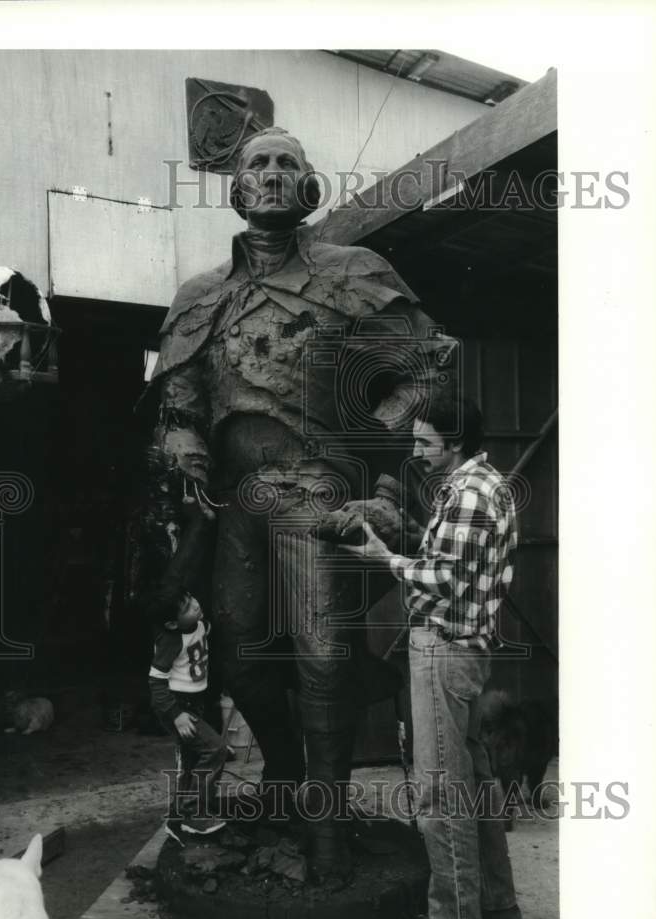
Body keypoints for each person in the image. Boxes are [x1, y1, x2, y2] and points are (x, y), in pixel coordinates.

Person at [139, 125, 452, 878]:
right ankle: (286, 777)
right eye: (257, 164)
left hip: (312, 484)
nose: (272, 174)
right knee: (241, 659)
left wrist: (369, 439)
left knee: (321, 658)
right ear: (237, 187)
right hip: (230, 499)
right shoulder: (200, 293)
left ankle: (326, 830)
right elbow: (178, 398)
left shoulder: (353, 270)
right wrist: (181, 437)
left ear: (308, 185)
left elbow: (428, 363)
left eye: (287, 163)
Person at [340, 392, 524, 919]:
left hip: (445, 651)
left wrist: (384, 560)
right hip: (464, 650)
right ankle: (498, 907)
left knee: (440, 792)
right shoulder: (483, 485)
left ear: (456, 442)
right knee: (476, 782)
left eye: (425, 442)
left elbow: (443, 577)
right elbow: (453, 561)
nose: (417, 450)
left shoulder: (468, 494)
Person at [148, 585, 228, 839]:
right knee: (215, 750)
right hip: (178, 706)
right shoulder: (170, 640)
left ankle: (177, 819)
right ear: (172, 624)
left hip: (195, 703)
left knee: (191, 759)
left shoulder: (200, 624)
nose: (194, 604)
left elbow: (204, 633)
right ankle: (195, 813)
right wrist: (176, 714)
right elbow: (156, 682)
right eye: (186, 608)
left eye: (191, 598)